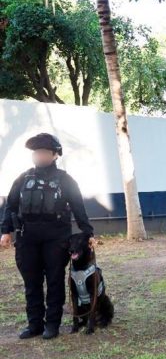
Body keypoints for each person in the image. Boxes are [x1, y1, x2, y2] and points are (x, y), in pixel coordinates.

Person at [0, 133, 95, 340]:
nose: (39, 156)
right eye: (36, 153)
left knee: (54, 281)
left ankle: (52, 324)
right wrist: (5, 231)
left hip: (56, 238)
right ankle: (34, 324)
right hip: (27, 237)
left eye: (43, 152)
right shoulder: (23, 178)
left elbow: (79, 209)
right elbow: (11, 206)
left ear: (54, 155)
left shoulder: (65, 180)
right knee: (31, 282)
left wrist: (88, 233)